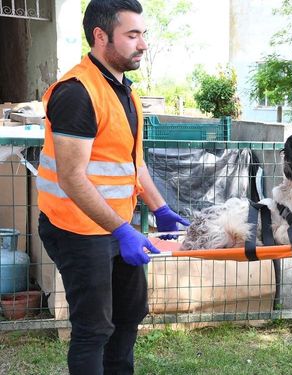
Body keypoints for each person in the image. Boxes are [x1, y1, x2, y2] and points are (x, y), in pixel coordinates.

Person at [36, 0, 189, 373]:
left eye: (143, 34)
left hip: (117, 228)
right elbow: (73, 178)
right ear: (100, 36)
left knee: (130, 313)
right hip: (76, 227)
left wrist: (160, 210)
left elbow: (131, 163)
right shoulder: (76, 92)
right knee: (93, 327)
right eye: (132, 35)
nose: (143, 44)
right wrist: (123, 231)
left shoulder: (126, 92)